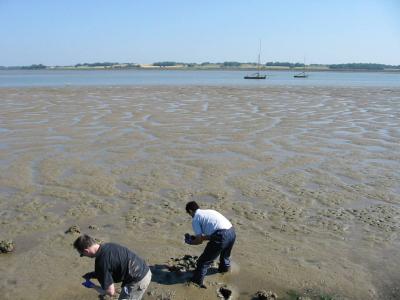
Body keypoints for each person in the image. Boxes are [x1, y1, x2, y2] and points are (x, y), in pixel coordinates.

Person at [73, 234, 151, 300]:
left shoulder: (101, 262)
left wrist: (92, 286)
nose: (83, 256)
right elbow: (112, 266)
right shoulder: (108, 245)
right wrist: (94, 274)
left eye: (82, 255)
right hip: (145, 270)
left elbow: (110, 292)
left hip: (138, 280)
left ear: (86, 251)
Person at [184, 201, 236, 288]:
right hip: (231, 232)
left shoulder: (196, 218)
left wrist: (190, 242)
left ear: (190, 211)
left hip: (221, 235)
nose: (191, 216)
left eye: (189, 214)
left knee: (203, 261)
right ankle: (224, 271)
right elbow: (215, 233)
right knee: (225, 256)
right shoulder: (209, 211)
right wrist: (200, 238)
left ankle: (196, 282)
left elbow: (199, 241)